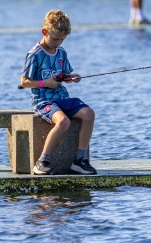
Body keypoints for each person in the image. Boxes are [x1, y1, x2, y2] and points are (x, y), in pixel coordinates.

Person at [20, 10, 97, 175]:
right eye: (55, 39)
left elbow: (65, 75)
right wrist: (45, 83)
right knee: (63, 122)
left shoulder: (61, 53)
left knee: (89, 114)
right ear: (44, 32)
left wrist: (71, 78)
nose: (58, 43)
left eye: (62, 39)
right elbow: (24, 82)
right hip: (44, 101)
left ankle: (80, 160)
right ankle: (42, 161)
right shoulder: (35, 55)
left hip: (63, 98)